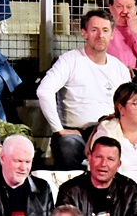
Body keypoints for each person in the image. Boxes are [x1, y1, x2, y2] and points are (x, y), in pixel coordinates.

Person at [37, 10, 132, 170]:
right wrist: (59, 129)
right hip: (77, 133)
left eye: (105, 30)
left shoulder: (120, 69)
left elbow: (128, 105)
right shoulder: (70, 60)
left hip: (110, 129)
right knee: (68, 146)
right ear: (84, 33)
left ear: (112, 35)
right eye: (94, 30)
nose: (100, 35)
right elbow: (44, 91)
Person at [0, 135, 54, 216]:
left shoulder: (43, 188)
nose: (23, 168)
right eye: (18, 161)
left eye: (28, 162)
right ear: (2, 158)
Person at [57, 137, 137, 216]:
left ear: (118, 165)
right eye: (98, 157)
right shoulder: (70, 191)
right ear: (89, 159)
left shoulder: (129, 190)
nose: (103, 164)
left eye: (110, 159)